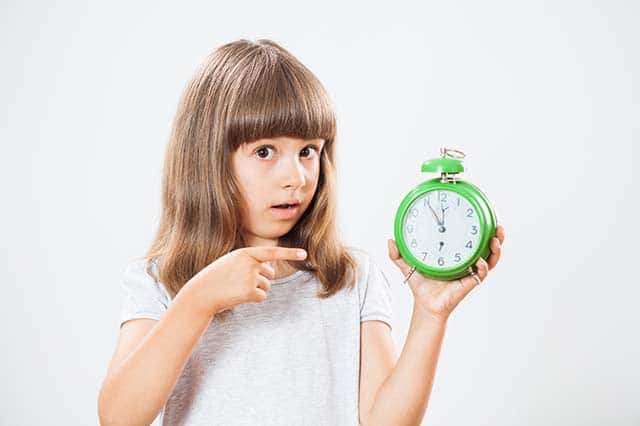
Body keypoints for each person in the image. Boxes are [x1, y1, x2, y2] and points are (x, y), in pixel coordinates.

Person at [97, 38, 506, 426]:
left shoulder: (350, 278)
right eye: (264, 151)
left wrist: (430, 315)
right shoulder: (161, 280)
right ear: (206, 159)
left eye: (308, 151)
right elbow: (120, 417)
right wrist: (197, 302)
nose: (295, 177)